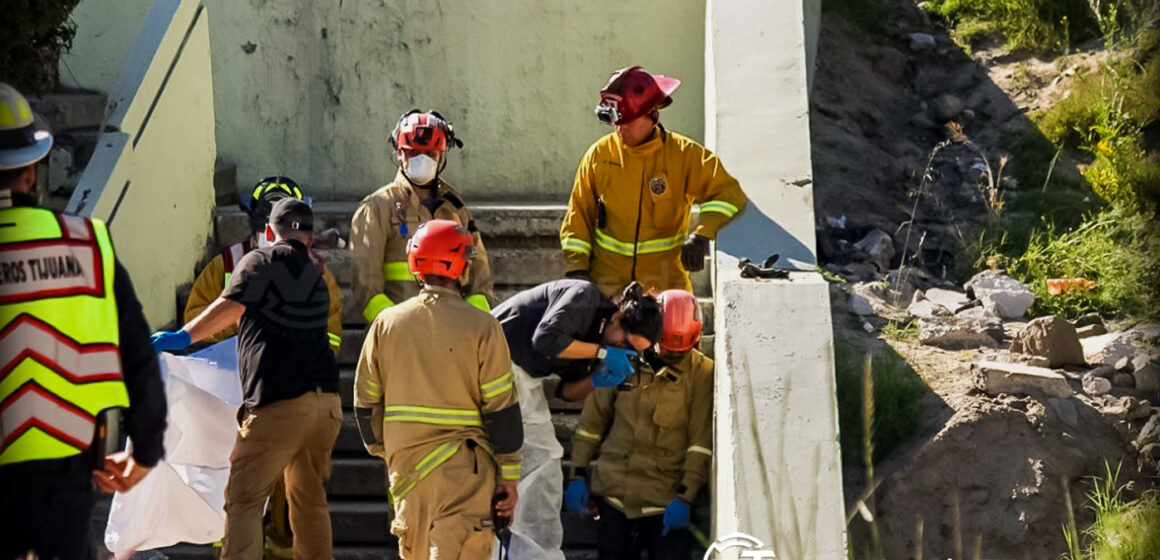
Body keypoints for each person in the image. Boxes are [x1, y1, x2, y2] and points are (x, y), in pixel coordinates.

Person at [0, 82, 167, 559]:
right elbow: (139, 356)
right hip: (63, 485)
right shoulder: (86, 247)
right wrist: (145, 449)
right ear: (31, 173)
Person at [152, 198, 342, 560]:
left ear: (270, 231)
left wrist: (184, 337)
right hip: (326, 407)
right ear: (310, 238)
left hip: (279, 406)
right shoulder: (318, 277)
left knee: (243, 500)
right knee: (310, 503)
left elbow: (230, 307)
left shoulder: (259, 260)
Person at [354, 219, 522, 559]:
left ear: (414, 264)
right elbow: (502, 410)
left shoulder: (386, 323)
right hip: (465, 476)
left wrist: (388, 451)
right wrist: (509, 475)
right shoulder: (483, 327)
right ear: (463, 265)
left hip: (407, 475)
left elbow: (364, 403)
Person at [489, 279, 663, 560]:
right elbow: (545, 339)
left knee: (544, 457)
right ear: (618, 317)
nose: (622, 346)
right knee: (522, 457)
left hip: (523, 377)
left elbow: (565, 392)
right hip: (494, 359)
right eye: (625, 340)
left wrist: (597, 380)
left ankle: (532, 551)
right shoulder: (585, 298)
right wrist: (604, 352)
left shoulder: (602, 342)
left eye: (632, 348)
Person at [560, 66, 750, 297]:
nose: (621, 129)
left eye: (629, 121)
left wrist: (701, 235)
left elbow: (728, 194)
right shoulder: (599, 156)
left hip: (666, 290)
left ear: (654, 115)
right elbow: (578, 215)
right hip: (607, 290)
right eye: (618, 121)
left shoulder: (685, 155)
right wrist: (576, 269)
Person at [564, 289, 712, 560]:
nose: (672, 357)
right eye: (666, 349)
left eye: (681, 353)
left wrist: (685, 496)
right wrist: (578, 475)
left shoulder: (702, 374)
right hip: (615, 496)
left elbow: (700, 443)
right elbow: (592, 423)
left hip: (665, 502)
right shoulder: (624, 360)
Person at [351, 109, 493, 324]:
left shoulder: (455, 207)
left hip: (451, 332)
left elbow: (478, 277)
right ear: (399, 152)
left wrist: (472, 325)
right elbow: (366, 287)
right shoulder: (378, 207)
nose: (421, 159)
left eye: (430, 153)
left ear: (442, 154)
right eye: (413, 152)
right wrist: (398, 328)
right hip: (400, 338)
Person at [185, 176, 343, 353]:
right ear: (258, 229)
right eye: (267, 231)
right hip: (233, 369)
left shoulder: (317, 274)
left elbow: (332, 338)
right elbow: (193, 317)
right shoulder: (227, 263)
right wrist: (236, 319)